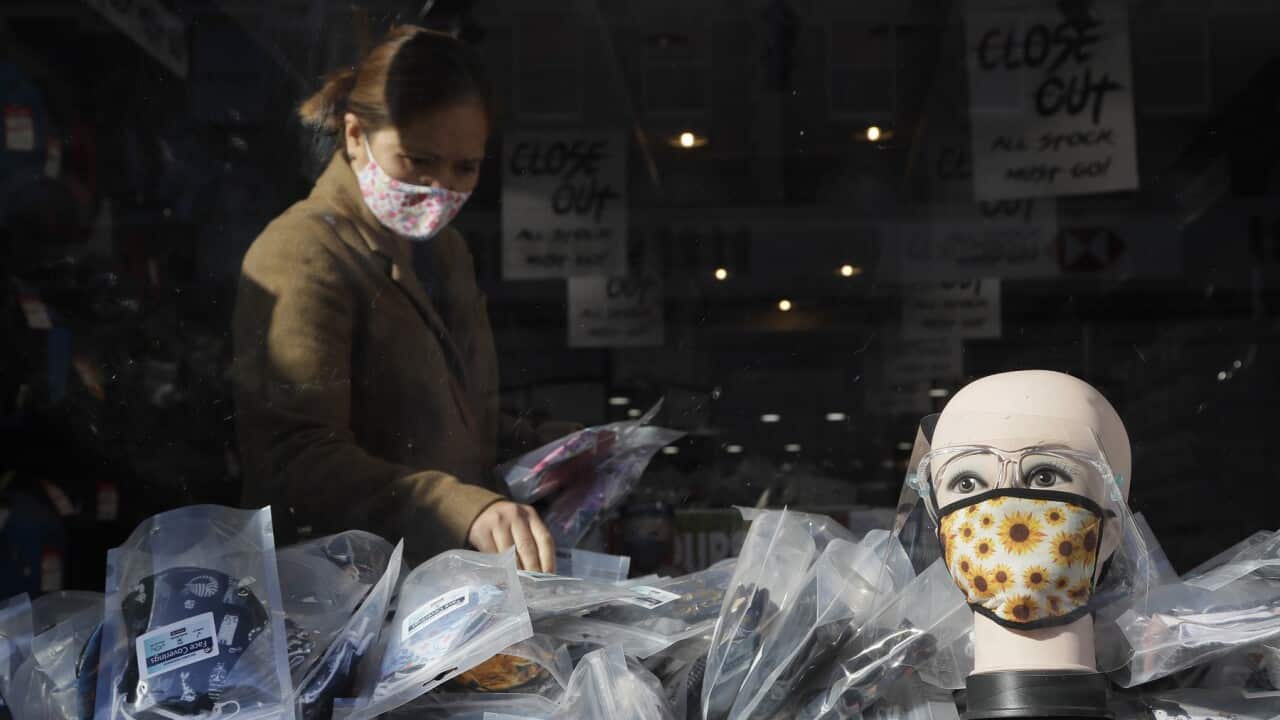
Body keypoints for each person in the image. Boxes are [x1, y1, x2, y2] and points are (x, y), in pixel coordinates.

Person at [232, 26, 557, 571]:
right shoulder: (300, 251)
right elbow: (296, 458)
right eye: (417, 160)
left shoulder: (443, 252)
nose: (439, 188)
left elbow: (447, 418)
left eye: (465, 168)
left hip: (439, 591)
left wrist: (552, 449)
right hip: (336, 593)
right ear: (355, 136)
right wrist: (462, 510)